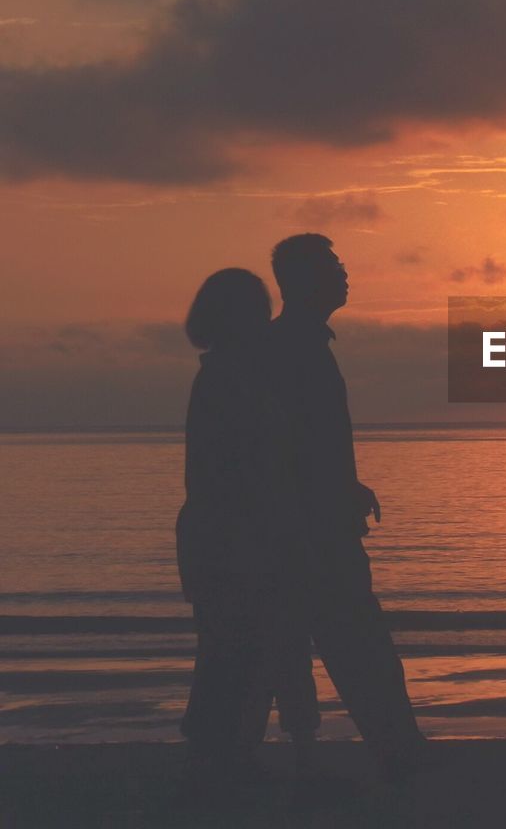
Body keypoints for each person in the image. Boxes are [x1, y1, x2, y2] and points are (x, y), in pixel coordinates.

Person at [267, 234, 425, 784]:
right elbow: (287, 446)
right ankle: (399, 758)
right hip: (314, 539)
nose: (345, 272)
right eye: (334, 265)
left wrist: (347, 484)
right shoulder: (293, 347)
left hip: (315, 529)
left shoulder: (303, 344)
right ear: (307, 280)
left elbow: (305, 442)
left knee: (333, 652)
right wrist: (332, 494)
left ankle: (385, 754)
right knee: (360, 653)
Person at [176, 269, 320, 787]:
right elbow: (247, 468)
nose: (267, 318)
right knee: (232, 651)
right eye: (258, 309)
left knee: (230, 649)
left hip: (221, 535)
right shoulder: (231, 379)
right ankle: (220, 760)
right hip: (233, 538)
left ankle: (224, 756)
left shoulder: (227, 375)